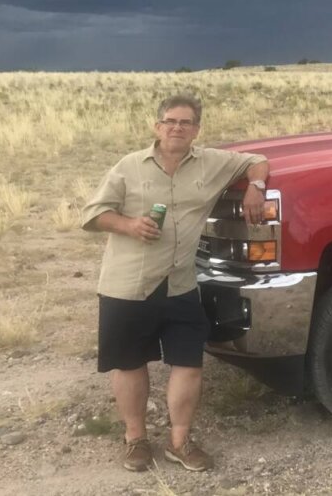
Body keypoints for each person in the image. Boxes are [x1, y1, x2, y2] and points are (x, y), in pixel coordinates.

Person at [80, 94, 268, 472]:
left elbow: (257, 161)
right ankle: (135, 439)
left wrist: (256, 187)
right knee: (130, 363)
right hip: (128, 284)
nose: (176, 128)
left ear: (196, 129)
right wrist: (129, 225)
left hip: (181, 284)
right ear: (156, 126)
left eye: (185, 123)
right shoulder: (128, 166)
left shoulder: (213, 163)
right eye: (170, 121)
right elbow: (93, 214)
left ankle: (179, 441)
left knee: (189, 363)